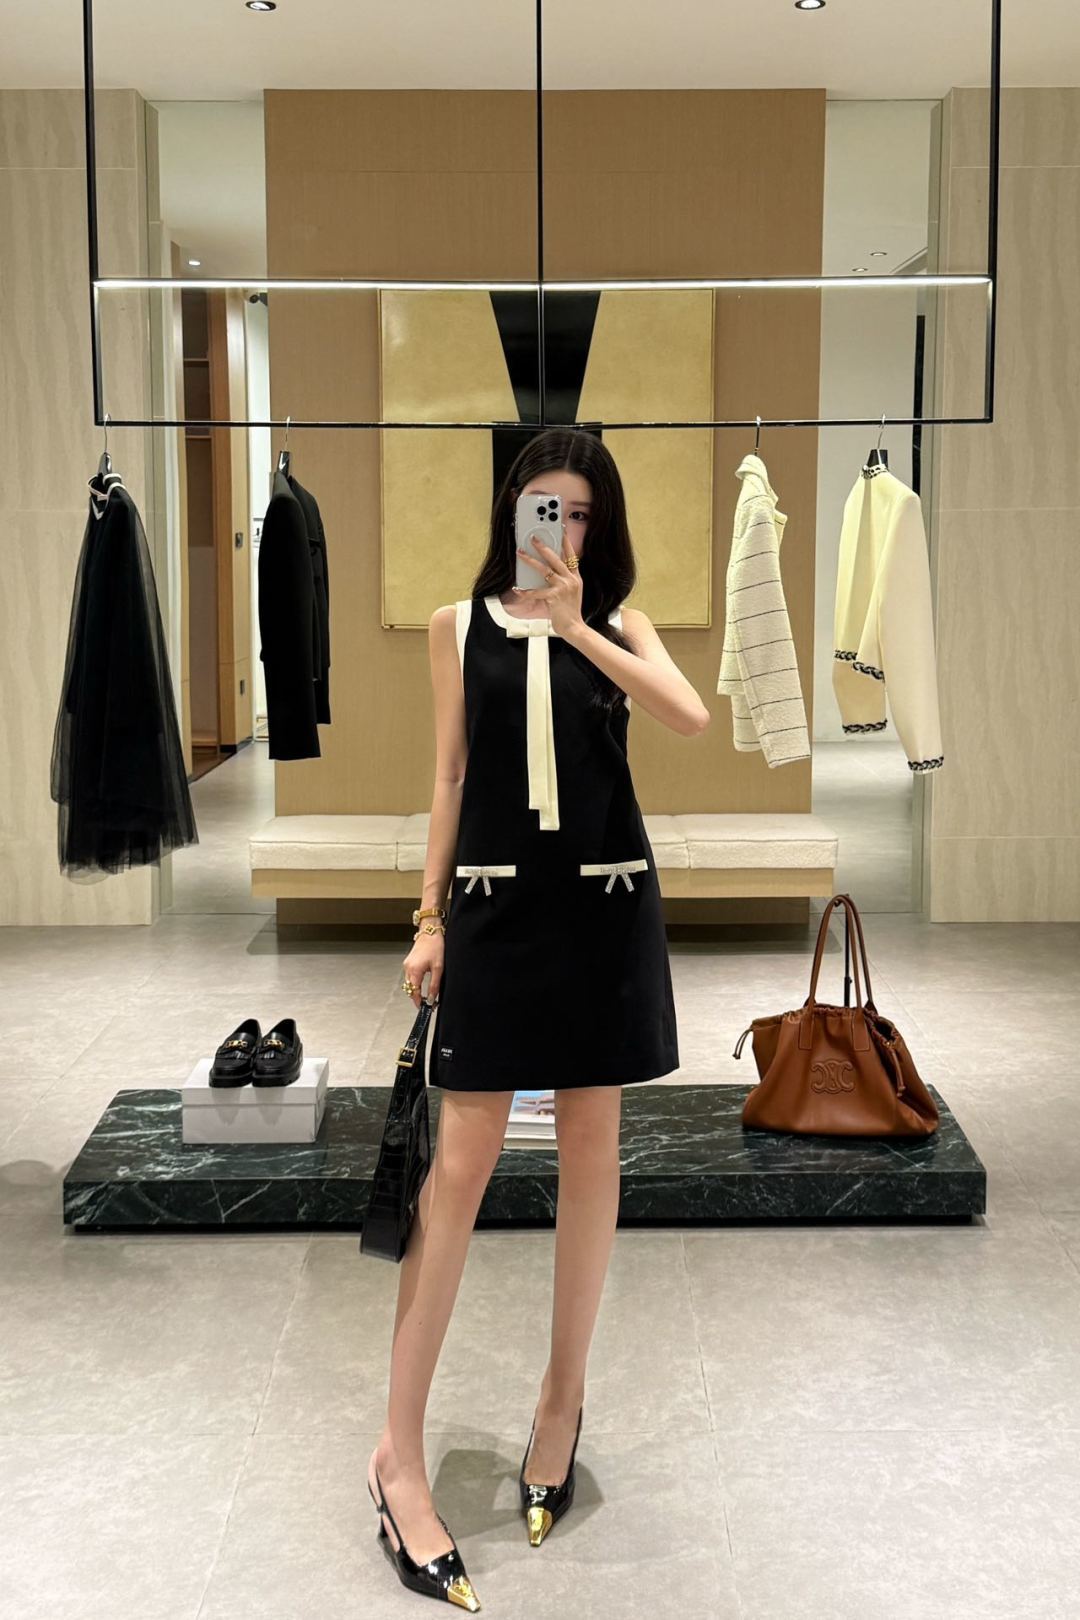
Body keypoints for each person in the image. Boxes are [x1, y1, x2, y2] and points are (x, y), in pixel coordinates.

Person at [366, 428, 710, 1610]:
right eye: (542, 507)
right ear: (510, 511)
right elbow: (451, 775)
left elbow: (689, 718)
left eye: (581, 512)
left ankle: (561, 1406)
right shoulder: (455, 627)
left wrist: (577, 628)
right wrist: (428, 919)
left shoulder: (623, 626)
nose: (560, 529)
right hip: (498, 917)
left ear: (601, 526)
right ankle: (398, 1457)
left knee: (591, 1152)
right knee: (457, 1172)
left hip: (604, 912)